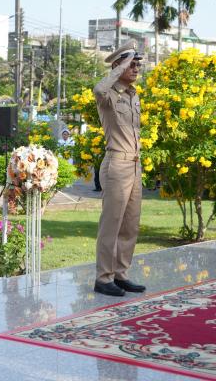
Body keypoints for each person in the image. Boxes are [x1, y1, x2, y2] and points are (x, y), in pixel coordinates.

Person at [93, 39, 146, 297]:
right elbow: (98, 88)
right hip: (116, 163)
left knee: (130, 225)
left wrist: (125, 64)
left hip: (134, 165)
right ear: (118, 66)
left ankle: (120, 274)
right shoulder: (108, 95)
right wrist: (120, 66)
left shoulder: (133, 96)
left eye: (137, 64)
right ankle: (103, 278)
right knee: (111, 224)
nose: (135, 68)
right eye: (131, 64)